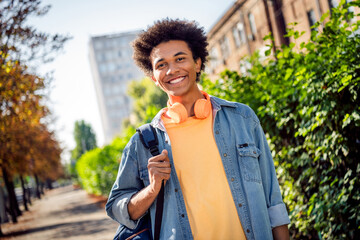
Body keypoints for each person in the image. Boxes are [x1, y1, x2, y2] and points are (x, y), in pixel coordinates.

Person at [106, 18, 290, 240]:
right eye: (161, 64)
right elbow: (118, 207)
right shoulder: (143, 142)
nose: (172, 69)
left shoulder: (242, 119)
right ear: (154, 77)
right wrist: (152, 189)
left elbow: (273, 200)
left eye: (180, 59)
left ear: (198, 63)